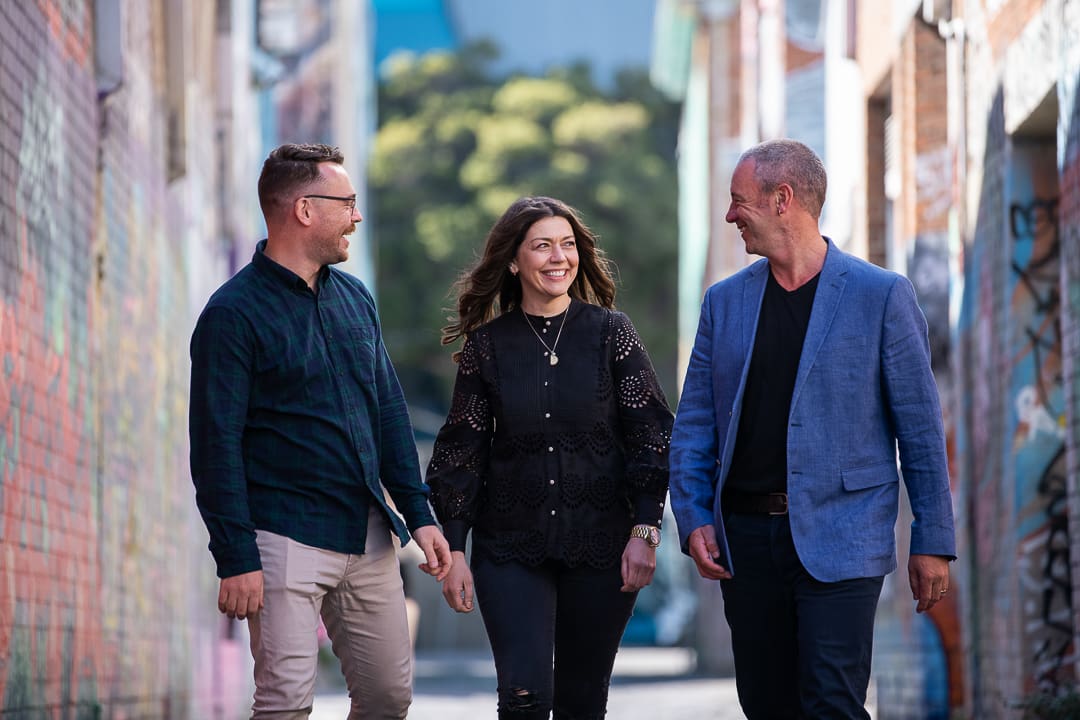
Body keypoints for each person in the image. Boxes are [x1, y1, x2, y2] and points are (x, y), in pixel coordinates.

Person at [668, 139, 956, 719]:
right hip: (745, 542)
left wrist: (933, 540)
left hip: (844, 533)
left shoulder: (882, 296)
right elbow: (694, 423)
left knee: (832, 702)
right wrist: (694, 514)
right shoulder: (723, 303)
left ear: (783, 199)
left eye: (738, 201)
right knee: (767, 705)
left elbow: (920, 431)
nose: (730, 216)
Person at [189, 143, 452, 720]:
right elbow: (215, 447)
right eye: (347, 203)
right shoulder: (232, 315)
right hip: (282, 537)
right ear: (304, 210)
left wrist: (421, 511)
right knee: (284, 705)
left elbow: (386, 410)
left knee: (388, 698)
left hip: (368, 534)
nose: (356, 216)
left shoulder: (355, 298)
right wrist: (235, 555)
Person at [426, 196, 674, 719]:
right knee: (523, 698)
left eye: (568, 244)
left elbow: (650, 435)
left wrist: (645, 531)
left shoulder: (611, 333)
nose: (558, 256)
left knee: (581, 702)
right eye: (542, 246)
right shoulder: (487, 347)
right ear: (514, 261)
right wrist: (454, 549)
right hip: (511, 546)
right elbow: (461, 451)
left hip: (603, 545)